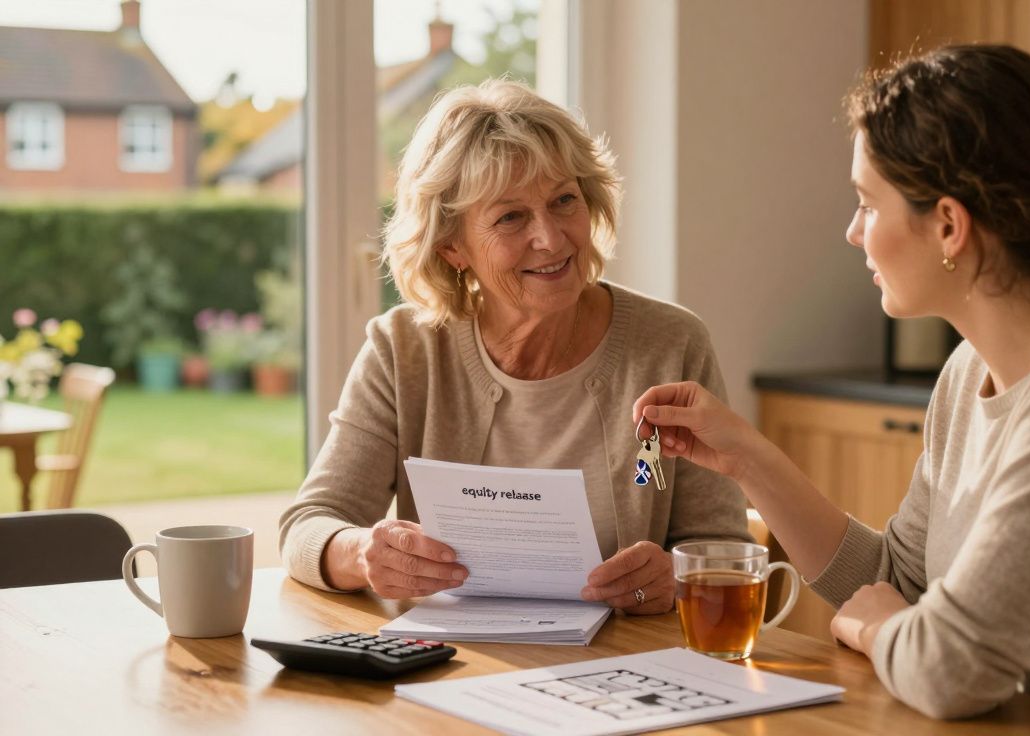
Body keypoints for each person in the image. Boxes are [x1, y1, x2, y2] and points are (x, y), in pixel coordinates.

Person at [633, 45, 1030, 734]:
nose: (853, 232)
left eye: (866, 204)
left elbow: (955, 667)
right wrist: (746, 458)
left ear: (948, 226)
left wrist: (877, 628)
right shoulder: (968, 371)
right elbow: (900, 582)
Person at [279, 79, 750, 613]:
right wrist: (363, 553)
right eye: (510, 217)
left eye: (564, 200)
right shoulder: (403, 350)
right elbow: (307, 527)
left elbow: (723, 548)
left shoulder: (671, 344)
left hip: (628, 656)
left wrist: (675, 578)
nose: (550, 238)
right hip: (452, 657)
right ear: (452, 246)